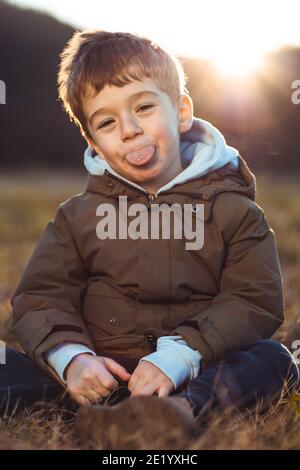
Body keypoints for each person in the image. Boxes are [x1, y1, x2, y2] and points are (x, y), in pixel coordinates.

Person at [2, 30, 299, 448]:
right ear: (95, 145)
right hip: (97, 378)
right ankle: (94, 410)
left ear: (180, 113)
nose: (129, 129)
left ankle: (179, 411)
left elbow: (253, 300)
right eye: (107, 122)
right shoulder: (78, 216)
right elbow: (40, 298)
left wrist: (180, 356)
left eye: (143, 107)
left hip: (193, 373)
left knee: (274, 360)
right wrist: (73, 360)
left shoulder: (235, 211)